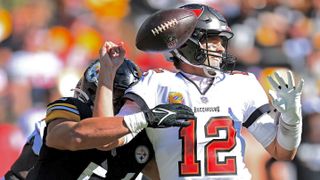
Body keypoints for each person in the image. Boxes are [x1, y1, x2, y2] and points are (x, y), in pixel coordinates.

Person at [111, 4, 305, 179]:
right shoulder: (157, 82)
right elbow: (113, 137)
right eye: (212, 39)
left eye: (222, 41)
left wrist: (291, 119)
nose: (220, 48)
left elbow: (283, 152)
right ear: (187, 42)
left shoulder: (241, 83)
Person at [24, 41, 195, 180]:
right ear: (93, 92)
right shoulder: (73, 110)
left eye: (130, 98)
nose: (125, 105)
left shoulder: (140, 139)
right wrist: (142, 118)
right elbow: (75, 136)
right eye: (118, 98)